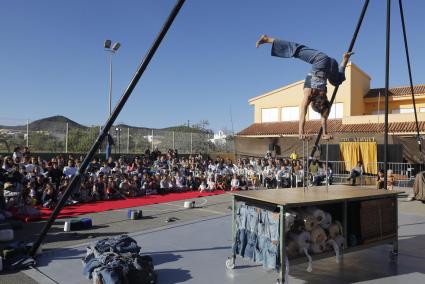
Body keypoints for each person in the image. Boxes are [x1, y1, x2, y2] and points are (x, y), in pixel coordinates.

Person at [256, 35, 353, 139]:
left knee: (337, 81)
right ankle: (267, 39)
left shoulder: (315, 96)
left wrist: (303, 132)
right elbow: (305, 114)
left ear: (318, 102)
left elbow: (321, 116)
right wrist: (307, 132)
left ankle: (345, 59)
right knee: (297, 50)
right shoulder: (309, 95)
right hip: (322, 62)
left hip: (330, 64)